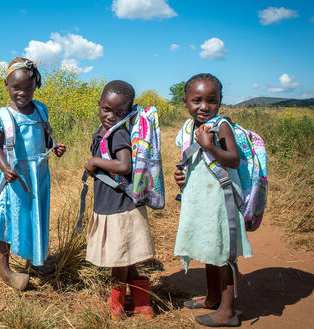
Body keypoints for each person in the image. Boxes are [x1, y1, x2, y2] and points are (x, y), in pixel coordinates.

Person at [174, 73, 252, 328]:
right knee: (209, 248)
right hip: (199, 199)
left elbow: (233, 159)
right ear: (185, 102)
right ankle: (213, 297)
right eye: (197, 100)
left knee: (224, 253)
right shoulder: (188, 128)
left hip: (221, 200)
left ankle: (228, 311)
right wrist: (180, 175)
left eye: (212, 100)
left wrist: (210, 147)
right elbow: (190, 161)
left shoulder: (221, 126)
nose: (204, 106)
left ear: (220, 101)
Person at [0, 57, 66, 291]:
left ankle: (34, 259)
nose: (22, 93)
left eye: (28, 88)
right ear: (6, 85)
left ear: (35, 87)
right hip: (16, 176)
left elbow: (45, 139)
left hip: (39, 175)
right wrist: (5, 168)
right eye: (16, 88)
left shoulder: (40, 109)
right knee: (7, 217)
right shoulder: (3, 116)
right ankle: (5, 268)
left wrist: (55, 146)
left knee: (36, 215)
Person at [84, 80, 155, 320]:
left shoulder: (118, 133)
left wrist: (95, 163)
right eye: (107, 109)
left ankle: (118, 306)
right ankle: (142, 304)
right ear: (99, 104)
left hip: (119, 205)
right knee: (128, 255)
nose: (111, 116)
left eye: (119, 112)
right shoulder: (104, 131)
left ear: (129, 111)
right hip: (115, 202)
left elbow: (124, 165)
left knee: (119, 258)